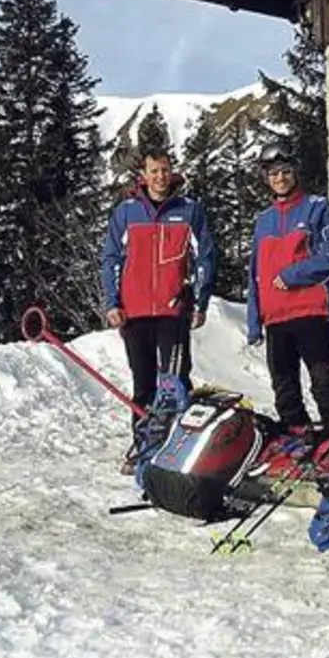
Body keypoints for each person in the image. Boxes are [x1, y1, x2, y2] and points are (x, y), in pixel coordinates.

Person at [100, 147, 216, 472]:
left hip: (172, 312)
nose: (160, 176)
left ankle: (179, 448)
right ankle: (143, 447)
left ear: (171, 171)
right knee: (143, 384)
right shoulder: (126, 213)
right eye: (154, 171)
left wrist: (200, 302)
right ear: (144, 175)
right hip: (134, 313)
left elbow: (205, 258)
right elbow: (111, 259)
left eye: (164, 170)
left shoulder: (189, 210)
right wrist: (112, 302)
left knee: (175, 382)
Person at [245, 143, 329, 435]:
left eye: (285, 172)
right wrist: (254, 320)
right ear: (266, 178)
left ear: (295, 172)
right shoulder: (263, 220)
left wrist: (294, 275)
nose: (280, 178)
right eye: (273, 174)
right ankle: (296, 439)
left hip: (311, 311)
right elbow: (255, 274)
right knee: (285, 390)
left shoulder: (318, 207)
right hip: (275, 318)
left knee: (324, 384)